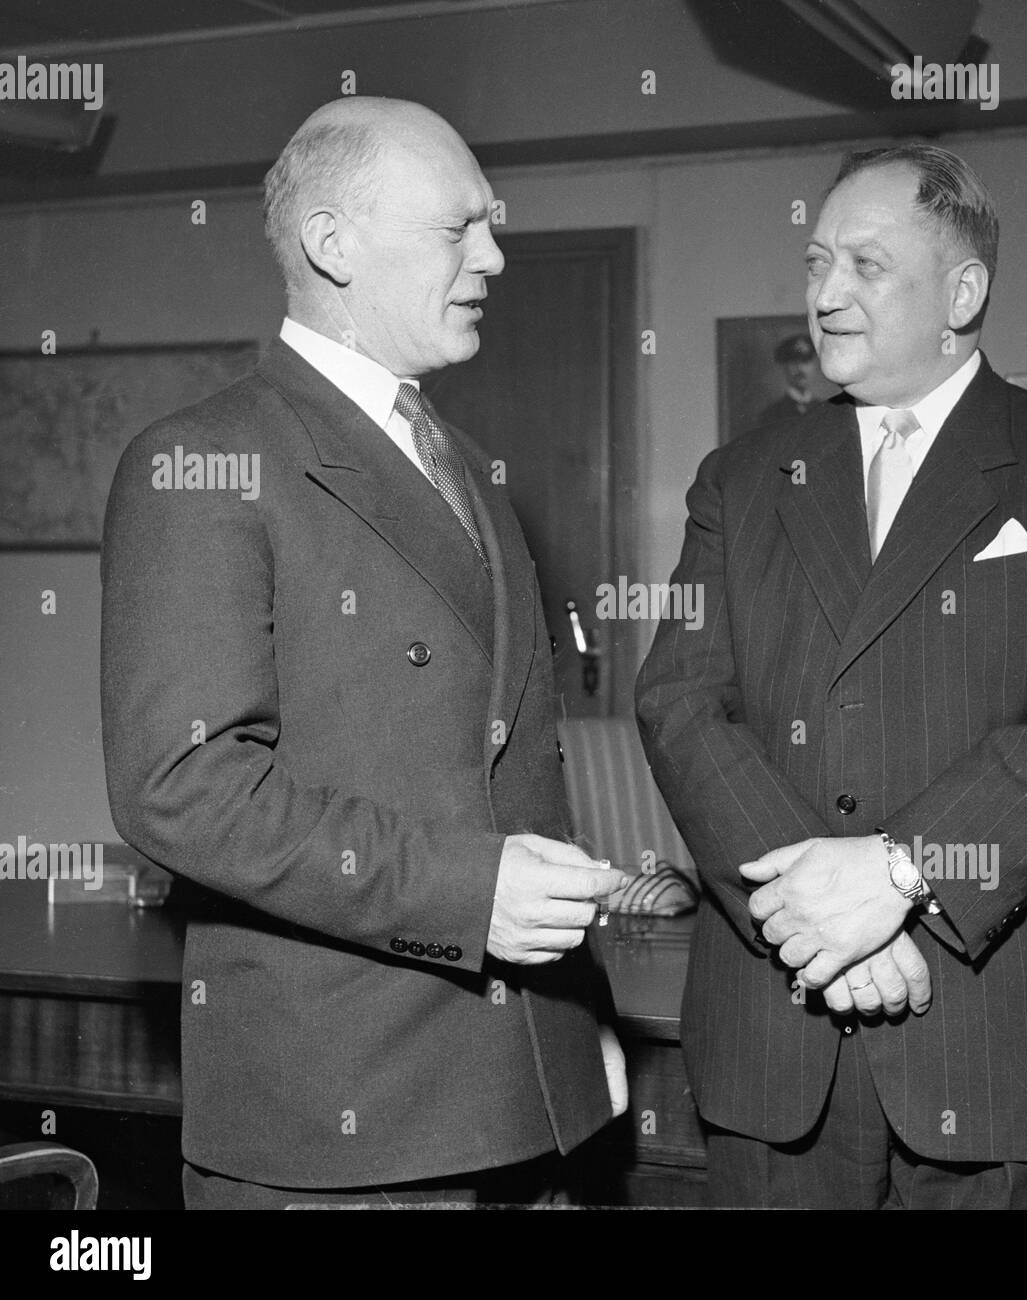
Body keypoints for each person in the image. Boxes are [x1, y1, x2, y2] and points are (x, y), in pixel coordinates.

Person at [100, 97, 629, 1209]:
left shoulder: (470, 465)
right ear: (331, 244)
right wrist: (467, 893)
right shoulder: (205, 461)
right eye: (458, 229)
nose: (494, 252)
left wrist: (573, 1033)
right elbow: (183, 789)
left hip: (519, 1101)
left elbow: (503, 775)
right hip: (343, 1132)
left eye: (491, 222)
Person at [636, 143, 1027, 1209]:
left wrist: (897, 877)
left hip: (1010, 1064)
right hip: (779, 1056)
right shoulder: (741, 478)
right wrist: (813, 920)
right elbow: (681, 702)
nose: (824, 295)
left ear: (962, 292)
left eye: (866, 265)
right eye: (813, 261)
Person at [752, 332, 819, 427]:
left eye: (805, 361)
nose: (800, 369)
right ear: (784, 367)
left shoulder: (825, 409)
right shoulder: (771, 415)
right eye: (794, 363)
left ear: (814, 365)